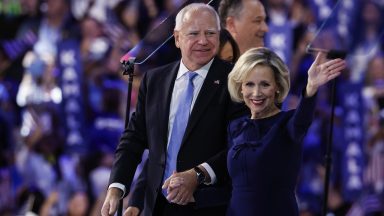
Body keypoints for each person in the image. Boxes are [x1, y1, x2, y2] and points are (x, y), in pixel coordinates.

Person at [101, 3, 246, 216]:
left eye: (210, 33)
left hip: (208, 205)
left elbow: (239, 146)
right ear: (177, 37)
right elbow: (135, 138)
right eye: (194, 33)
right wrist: (117, 188)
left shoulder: (236, 80)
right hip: (156, 206)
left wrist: (198, 175)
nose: (203, 41)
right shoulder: (154, 80)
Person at [225, 47, 346, 215]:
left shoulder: (288, 124)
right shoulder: (235, 127)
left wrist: (311, 87)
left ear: (277, 87)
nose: (256, 92)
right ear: (241, 88)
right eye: (249, 84)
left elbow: (302, 120)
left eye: (265, 84)